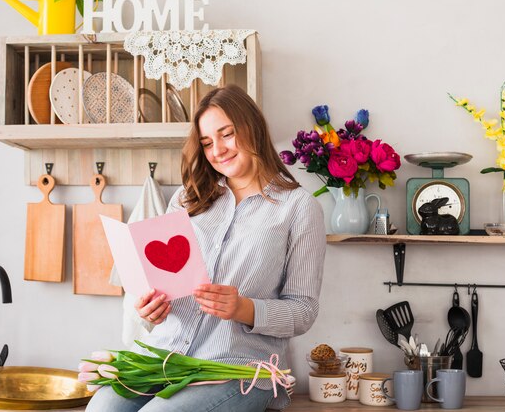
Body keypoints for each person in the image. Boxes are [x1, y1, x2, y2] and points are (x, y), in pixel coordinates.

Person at [87, 84, 326, 412]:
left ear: (252, 127)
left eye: (226, 134)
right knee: (102, 408)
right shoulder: (188, 198)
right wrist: (149, 307)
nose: (218, 150)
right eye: (207, 143)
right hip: (165, 356)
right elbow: (162, 285)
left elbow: (303, 310)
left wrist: (244, 308)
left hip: (238, 369)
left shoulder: (298, 207)